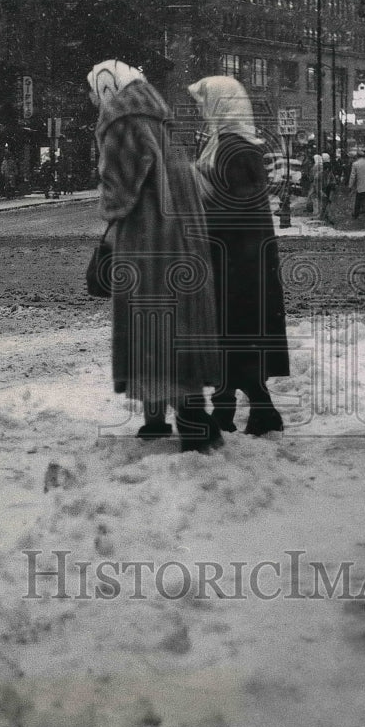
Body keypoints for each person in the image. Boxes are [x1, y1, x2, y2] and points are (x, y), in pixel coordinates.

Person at [89, 59, 222, 451]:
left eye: (94, 90)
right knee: (178, 325)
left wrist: (111, 219)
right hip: (183, 241)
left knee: (152, 328)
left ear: (108, 87)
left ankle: (186, 421)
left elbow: (119, 187)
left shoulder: (120, 118)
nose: (92, 99)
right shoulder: (159, 119)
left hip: (150, 243)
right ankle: (177, 416)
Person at [188, 76, 289, 437]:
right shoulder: (226, 143)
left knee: (235, 336)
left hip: (239, 263)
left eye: (205, 102)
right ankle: (235, 410)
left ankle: (254, 410)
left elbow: (240, 207)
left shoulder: (235, 147)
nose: (201, 109)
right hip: (233, 258)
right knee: (231, 337)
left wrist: (200, 191)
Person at [348, 149, 365, 222]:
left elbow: (353, 176)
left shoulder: (355, 164)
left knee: (358, 200)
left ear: (357, 156)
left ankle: (358, 214)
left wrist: (350, 186)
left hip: (360, 185)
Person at [319, 153, 337, 225]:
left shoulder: (323, 168)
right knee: (328, 202)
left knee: (326, 202)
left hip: (327, 187)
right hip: (329, 187)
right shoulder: (329, 167)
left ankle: (326, 216)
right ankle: (327, 216)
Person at [308, 153, 323, 218]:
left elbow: (311, 176)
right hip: (321, 183)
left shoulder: (315, 166)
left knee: (314, 197)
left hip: (315, 183)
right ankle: (320, 211)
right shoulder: (322, 166)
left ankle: (316, 211)